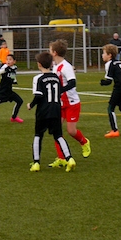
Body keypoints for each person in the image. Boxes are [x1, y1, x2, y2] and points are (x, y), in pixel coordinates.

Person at [27, 52, 76, 172]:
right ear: (51, 64)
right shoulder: (56, 77)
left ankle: (36, 163)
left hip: (43, 111)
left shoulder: (38, 78)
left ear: (39, 64)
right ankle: (69, 159)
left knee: (38, 135)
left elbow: (38, 96)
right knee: (58, 136)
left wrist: (31, 105)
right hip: (56, 110)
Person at [48, 39, 90, 167]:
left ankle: (84, 142)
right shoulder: (55, 66)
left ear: (54, 52)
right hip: (59, 104)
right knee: (56, 130)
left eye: (50, 50)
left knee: (71, 131)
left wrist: (60, 90)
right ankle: (61, 158)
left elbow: (72, 83)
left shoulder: (66, 67)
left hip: (72, 103)